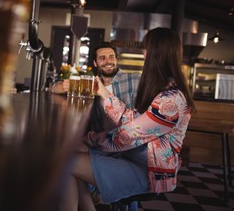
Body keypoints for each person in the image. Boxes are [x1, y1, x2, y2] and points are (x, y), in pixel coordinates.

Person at [57, 27, 196, 211]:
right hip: (135, 158)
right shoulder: (165, 89)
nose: (144, 54)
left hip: (149, 171)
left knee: (66, 163)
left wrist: (89, 139)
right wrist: (102, 92)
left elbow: (127, 135)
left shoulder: (171, 100)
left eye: (146, 49)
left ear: (156, 53)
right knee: (68, 163)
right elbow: (131, 119)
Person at [51, 42, 141, 109]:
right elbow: (53, 88)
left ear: (116, 60)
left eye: (111, 57)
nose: (108, 61)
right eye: (102, 58)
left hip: (126, 132)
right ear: (95, 63)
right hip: (99, 134)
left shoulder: (134, 79)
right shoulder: (91, 84)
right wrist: (63, 87)